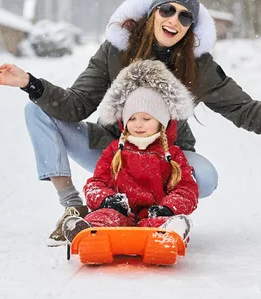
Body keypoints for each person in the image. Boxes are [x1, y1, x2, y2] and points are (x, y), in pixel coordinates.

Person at [0, 0, 261, 246]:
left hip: (165, 157)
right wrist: (30, 83)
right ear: (154, 12)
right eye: (168, 9)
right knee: (38, 112)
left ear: (191, 27)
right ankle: (73, 208)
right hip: (113, 153)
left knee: (205, 176)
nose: (174, 19)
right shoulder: (116, 51)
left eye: (185, 16)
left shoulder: (197, 66)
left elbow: (246, 110)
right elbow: (77, 104)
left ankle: (156, 215)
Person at [63, 59, 197, 244]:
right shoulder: (115, 150)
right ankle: (88, 235)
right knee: (105, 217)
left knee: (161, 223)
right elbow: (96, 183)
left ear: (161, 121)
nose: (138, 124)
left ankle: (167, 237)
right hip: (119, 210)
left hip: (154, 212)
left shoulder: (172, 154)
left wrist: (169, 208)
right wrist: (107, 200)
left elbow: (186, 188)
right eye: (132, 118)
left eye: (146, 118)